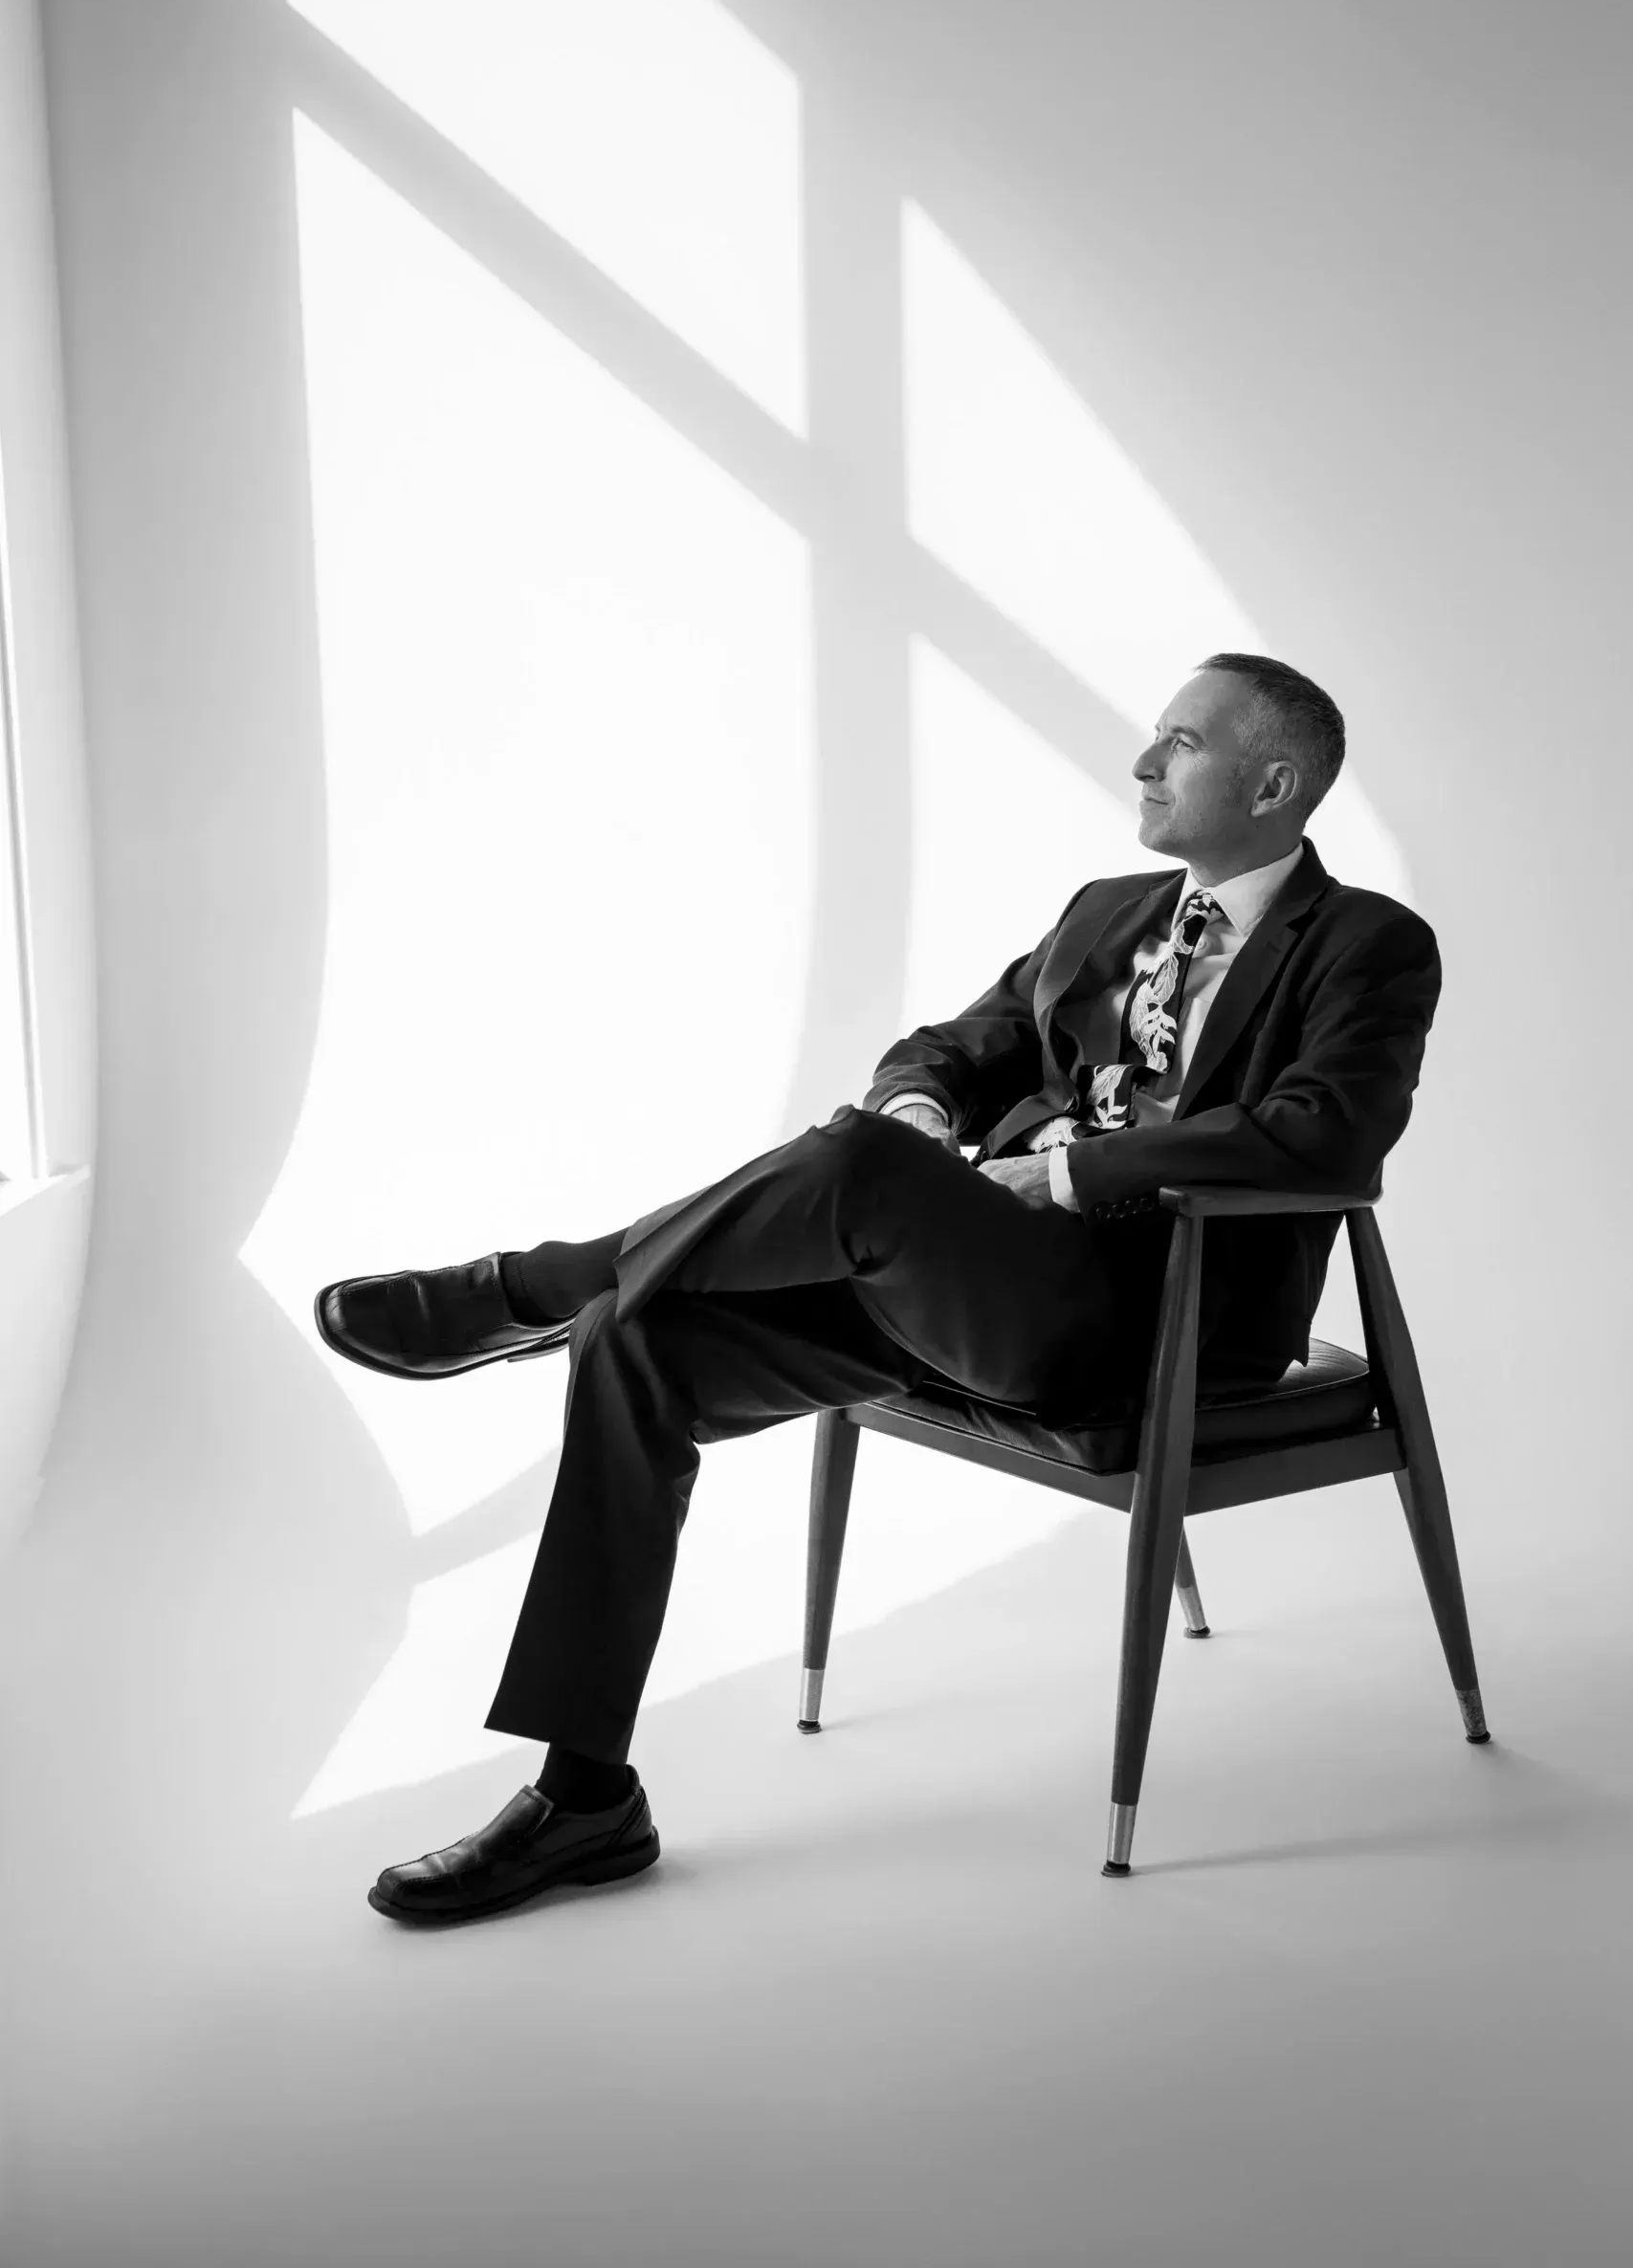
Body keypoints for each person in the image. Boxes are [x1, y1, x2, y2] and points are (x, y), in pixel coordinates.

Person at [315, 650, 1441, 1926]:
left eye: (1178, 742)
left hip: (1155, 1323)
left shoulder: (1366, 945)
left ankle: (533, 1285)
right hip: (978, 1300)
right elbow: (953, 1050)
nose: (1141, 762)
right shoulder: (1105, 914)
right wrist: (920, 1106)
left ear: (1274, 780)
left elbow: (1326, 1136)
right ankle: (584, 1802)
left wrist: (1064, 1171)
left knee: (848, 1166)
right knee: (640, 1339)